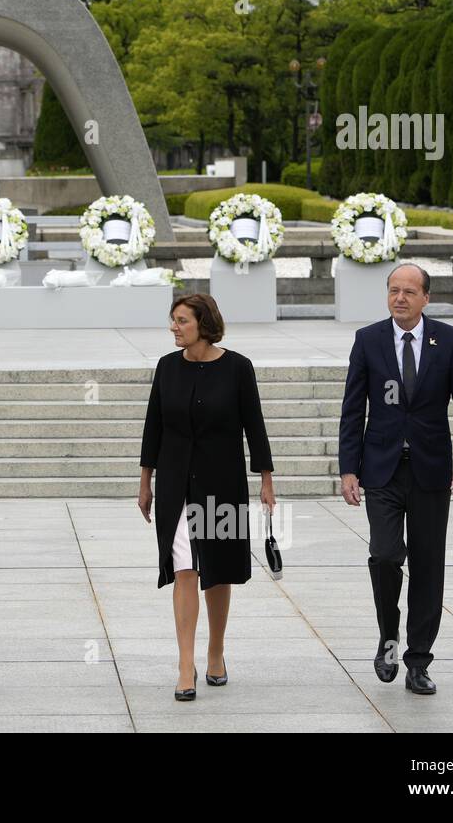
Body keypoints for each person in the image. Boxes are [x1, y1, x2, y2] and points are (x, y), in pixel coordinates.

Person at [339, 263, 453, 695]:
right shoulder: (368, 340)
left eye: (408, 292)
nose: (399, 298)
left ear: (425, 298)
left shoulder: (449, 341)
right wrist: (349, 468)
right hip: (381, 469)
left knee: (427, 566)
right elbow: (352, 408)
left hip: (430, 471)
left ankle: (419, 659)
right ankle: (388, 636)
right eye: (393, 291)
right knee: (384, 555)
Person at [138, 293, 275, 701]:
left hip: (222, 482)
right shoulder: (166, 368)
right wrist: (145, 482)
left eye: (181, 321)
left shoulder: (238, 368)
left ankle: (215, 651)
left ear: (203, 323)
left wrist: (266, 480)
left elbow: (255, 426)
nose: (174, 327)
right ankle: (185, 664)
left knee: (216, 569)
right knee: (184, 567)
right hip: (176, 485)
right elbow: (153, 428)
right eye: (173, 320)